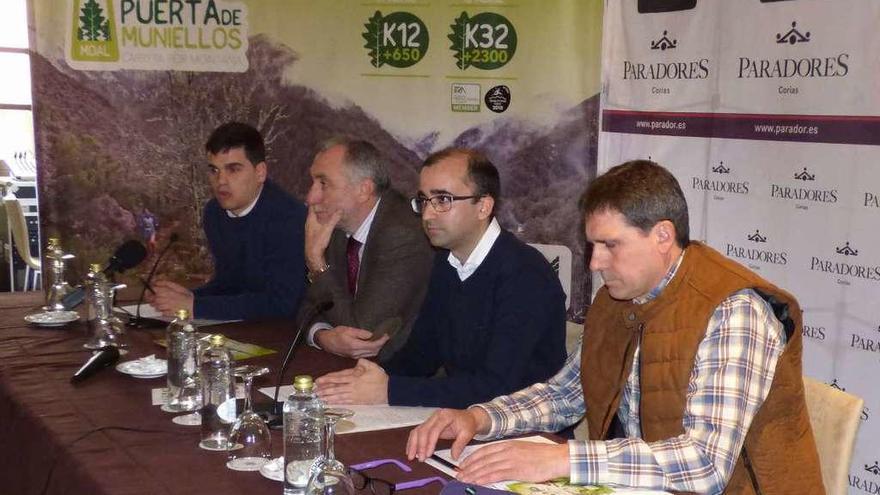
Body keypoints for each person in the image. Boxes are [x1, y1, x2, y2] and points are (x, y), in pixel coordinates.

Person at [405, 160, 824, 495]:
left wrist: (564, 459)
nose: (594, 263)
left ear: (662, 236)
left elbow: (705, 464)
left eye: (610, 245)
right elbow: (565, 394)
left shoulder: (734, 309)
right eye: (591, 245)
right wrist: (479, 418)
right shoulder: (616, 300)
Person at [315, 148, 567, 408]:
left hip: (528, 432)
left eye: (443, 200)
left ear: (483, 206)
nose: (427, 214)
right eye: (423, 200)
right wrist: (366, 377)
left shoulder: (525, 274)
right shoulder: (446, 263)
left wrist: (390, 391)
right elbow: (421, 355)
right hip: (471, 418)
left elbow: (497, 386)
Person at [147, 122, 307, 321]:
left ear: (260, 173)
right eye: (214, 170)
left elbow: (283, 303)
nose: (220, 181)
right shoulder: (215, 214)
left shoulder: (289, 220)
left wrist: (196, 306)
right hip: (249, 328)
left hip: (290, 334)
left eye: (233, 169)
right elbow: (231, 284)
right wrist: (189, 297)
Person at [299, 137, 434, 362]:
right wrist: (322, 336)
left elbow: (362, 334)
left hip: (404, 375)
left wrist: (316, 261)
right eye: (313, 183)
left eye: (323, 184)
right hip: (351, 368)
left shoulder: (403, 234)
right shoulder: (337, 225)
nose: (311, 197)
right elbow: (306, 305)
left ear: (363, 190)